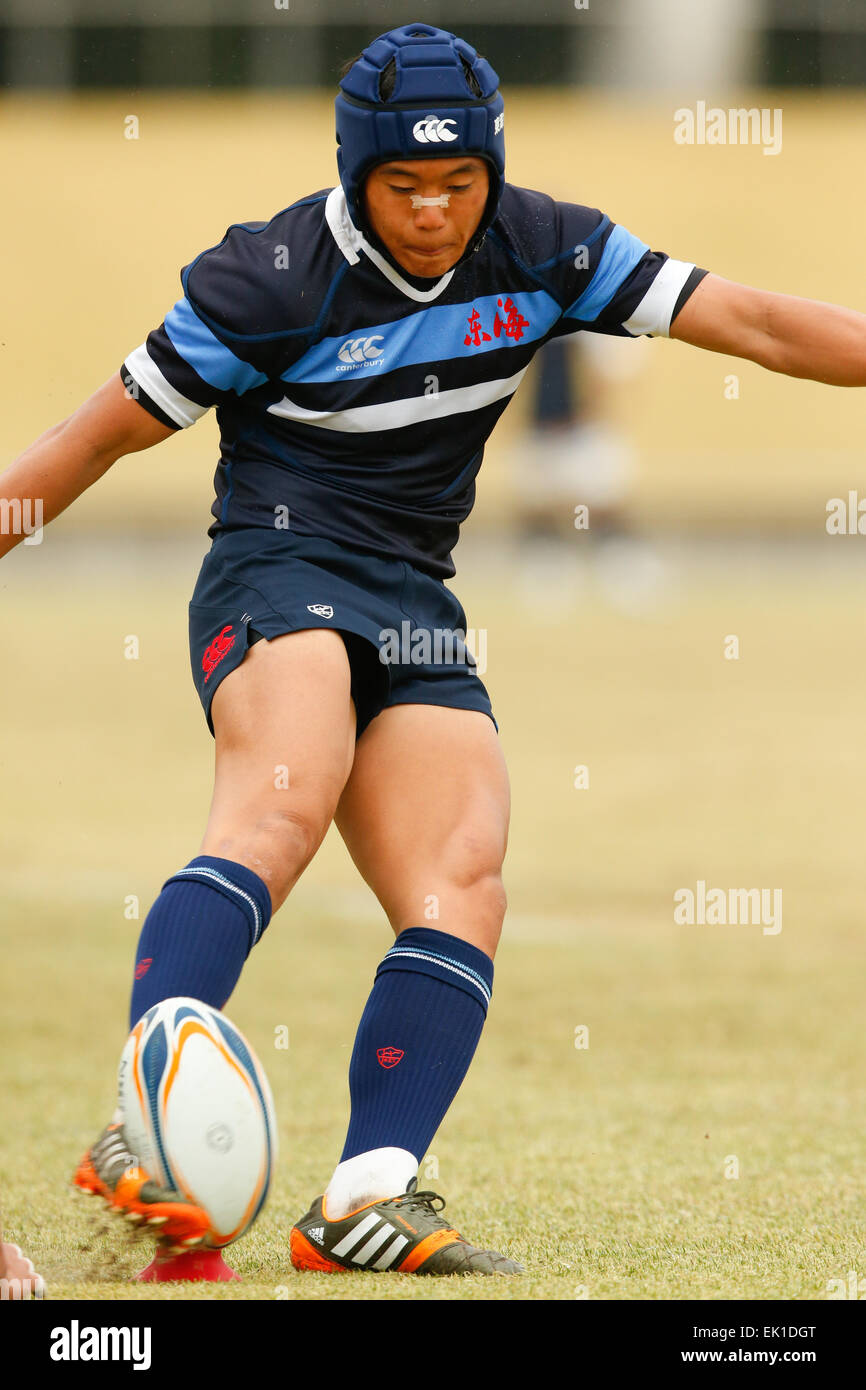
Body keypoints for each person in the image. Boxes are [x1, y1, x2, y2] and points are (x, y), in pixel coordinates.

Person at [3, 21, 865, 1281]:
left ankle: (367, 1192)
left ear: (493, 174)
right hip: (275, 572)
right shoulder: (267, 280)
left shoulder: (545, 242)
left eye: (458, 184)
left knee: (464, 879)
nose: (432, 212)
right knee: (277, 811)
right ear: (354, 174)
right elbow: (89, 442)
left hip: (414, 596)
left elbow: (758, 323)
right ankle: (152, 1125)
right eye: (401, 186)